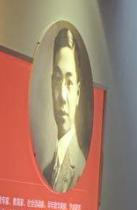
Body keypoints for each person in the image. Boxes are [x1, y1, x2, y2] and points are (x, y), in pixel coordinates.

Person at [42, 26, 86, 193]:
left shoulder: (80, 169)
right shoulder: (47, 172)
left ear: (78, 92)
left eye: (69, 83)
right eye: (57, 80)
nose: (62, 95)